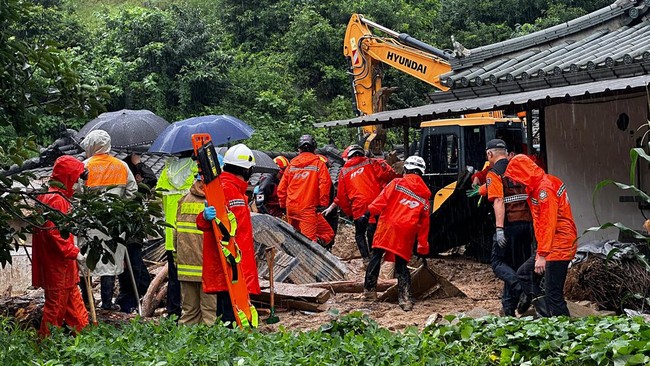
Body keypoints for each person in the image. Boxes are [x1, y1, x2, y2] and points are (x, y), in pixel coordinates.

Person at [504, 154, 577, 317]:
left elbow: (548, 223)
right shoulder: (541, 184)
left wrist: (542, 254)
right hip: (553, 243)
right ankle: (545, 312)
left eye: (516, 178)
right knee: (524, 274)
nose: (516, 183)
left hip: (558, 244)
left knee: (554, 294)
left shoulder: (544, 190)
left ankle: (563, 329)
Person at [197, 143, 261, 323]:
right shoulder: (225, 189)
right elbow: (209, 224)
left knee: (232, 311)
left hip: (233, 262)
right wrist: (204, 216)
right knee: (231, 313)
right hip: (230, 264)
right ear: (248, 170)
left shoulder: (230, 189)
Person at [78, 130, 137, 311]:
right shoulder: (121, 166)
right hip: (114, 221)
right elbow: (132, 190)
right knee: (110, 262)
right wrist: (120, 203)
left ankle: (87, 302)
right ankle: (106, 303)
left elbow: (76, 193)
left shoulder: (84, 167)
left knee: (85, 260)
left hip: (90, 221)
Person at [363, 156, 431, 311]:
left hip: (387, 226)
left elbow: (381, 201)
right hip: (406, 232)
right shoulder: (425, 198)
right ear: (422, 173)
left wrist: (368, 214)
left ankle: (369, 291)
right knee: (401, 264)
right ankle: (405, 299)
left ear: (406, 169)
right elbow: (424, 225)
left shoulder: (396, 183)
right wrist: (422, 246)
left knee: (376, 256)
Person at [33, 156, 89, 337]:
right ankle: (46, 346)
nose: (77, 183)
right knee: (55, 308)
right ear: (68, 176)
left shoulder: (51, 196)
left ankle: (85, 340)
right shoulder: (56, 199)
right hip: (58, 266)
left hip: (62, 266)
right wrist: (75, 253)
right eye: (76, 177)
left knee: (74, 307)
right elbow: (55, 233)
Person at [483, 139, 534, 316]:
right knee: (515, 264)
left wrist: (499, 229)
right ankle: (509, 308)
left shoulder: (494, 173)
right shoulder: (519, 168)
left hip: (509, 225)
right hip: (527, 224)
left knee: (498, 264)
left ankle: (522, 290)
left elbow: (498, 200)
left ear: (490, 154)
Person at [326, 144, 398, 263]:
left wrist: (350, 213)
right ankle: (376, 256)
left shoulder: (344, 172)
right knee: (374, 231)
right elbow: (388, 176)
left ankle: (366, 259)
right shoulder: (372, 163)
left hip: (358, 208)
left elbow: (342, 197)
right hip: (376, 206)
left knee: (360, 234)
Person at [156, 154, 198, 319]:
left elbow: (158, 197)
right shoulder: (195, 170)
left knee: (174, 276)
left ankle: (173, 311)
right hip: (192, 234)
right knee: (194, 276)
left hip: (170, 233)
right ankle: (193, 312)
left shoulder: (166, 172)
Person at [115, 153, 155, 313]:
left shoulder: (128, 189)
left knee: (140, 275)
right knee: (131, 272)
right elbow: (151, 179)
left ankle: (131, 300)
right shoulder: (131, 191)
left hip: (131, 235)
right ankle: (127, 304)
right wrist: (138, 163)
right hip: (129, 235)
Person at [277, 135, 334, 247]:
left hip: (291, 208)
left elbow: (281, 188)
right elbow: (324, 185)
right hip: (307, 209)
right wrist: (322, 204)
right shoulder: (319, 165)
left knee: (294, 238)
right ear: (314, 149)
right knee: (309, 243)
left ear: (299, 149)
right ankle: (310, 262)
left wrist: (284, 205)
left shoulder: (291, 165)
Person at [175, 174, 217, 325]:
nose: (202, 184)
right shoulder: (213, 202)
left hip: (186, 264)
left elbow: (176, 232)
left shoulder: (184, 199)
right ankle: (208, 344)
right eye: (200, 180)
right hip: (206, 266)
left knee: (189, 311)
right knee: (209, 312)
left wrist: (176, 255)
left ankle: (185, 342)